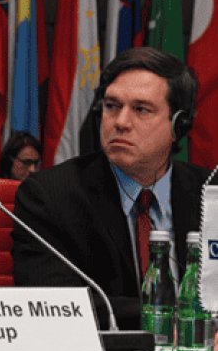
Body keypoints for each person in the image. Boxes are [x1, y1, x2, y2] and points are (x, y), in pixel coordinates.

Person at [12, 47, 209, 330]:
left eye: (141, 109)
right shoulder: (51, 196)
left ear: (179, 125)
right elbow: (54, 305)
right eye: (112, 106)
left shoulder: (210, 194)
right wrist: (175, 319)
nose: (120, 122)